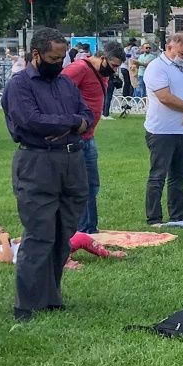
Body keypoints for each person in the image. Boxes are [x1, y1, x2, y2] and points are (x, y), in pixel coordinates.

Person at [0, 27, 93, 321]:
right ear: (36, 54)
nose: (60, 62)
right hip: (37, 163)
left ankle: (51, 297)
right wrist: (70, 123)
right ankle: (26, 305)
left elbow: (87, 116)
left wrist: (67, 125)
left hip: (72, 162)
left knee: (63, 234)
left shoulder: (66, 84)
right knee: (39, 234)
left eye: (63, 56)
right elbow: (29, 121)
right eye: (54, 57)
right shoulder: (20, 84)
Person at [61, 41, 126, 235]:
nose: (114, 71)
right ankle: (81, 230)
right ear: (103, 58)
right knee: (80, 186)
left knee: (91, 185)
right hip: (75, 137)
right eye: (113, 66)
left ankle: (90, 228)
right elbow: (57, 92)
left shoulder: (102, 73)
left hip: (89, 137)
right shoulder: (79, 68)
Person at [142, 33, 183, 225]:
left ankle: (178, 214)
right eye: (182, 53)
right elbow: (165, 97)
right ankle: (154, 217)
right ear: (169, 47)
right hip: (161, 131)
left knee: (180, 174)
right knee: (158, 175)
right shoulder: (156, 68)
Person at [0, 221, 125, 269]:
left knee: (80, 237)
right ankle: (64, 262)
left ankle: (107, 254)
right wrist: (6, 242)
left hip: (39, 248)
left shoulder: (10, 242)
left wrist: (20, 239)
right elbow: (7, 260)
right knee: (51, 251)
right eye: (2, 231)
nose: (5, 232)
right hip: (36, 257)